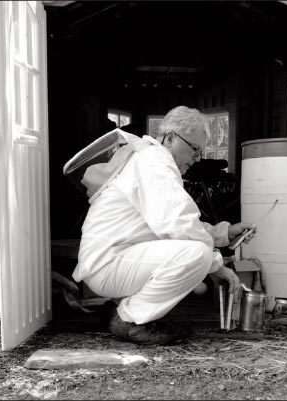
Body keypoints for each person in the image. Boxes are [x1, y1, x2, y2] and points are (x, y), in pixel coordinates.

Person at [71, 106, 256, 345]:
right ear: (170, 137)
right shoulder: (155, 163)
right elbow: (177, 223)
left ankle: (128, 311)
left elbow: (177, 222)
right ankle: (128, 319)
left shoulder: (150, 159)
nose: (197, 158)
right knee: (198, 255)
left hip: (111, 260)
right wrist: (216, 265)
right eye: (194, 149)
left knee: (199, 252)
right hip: (108, 264)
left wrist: (223, 233)